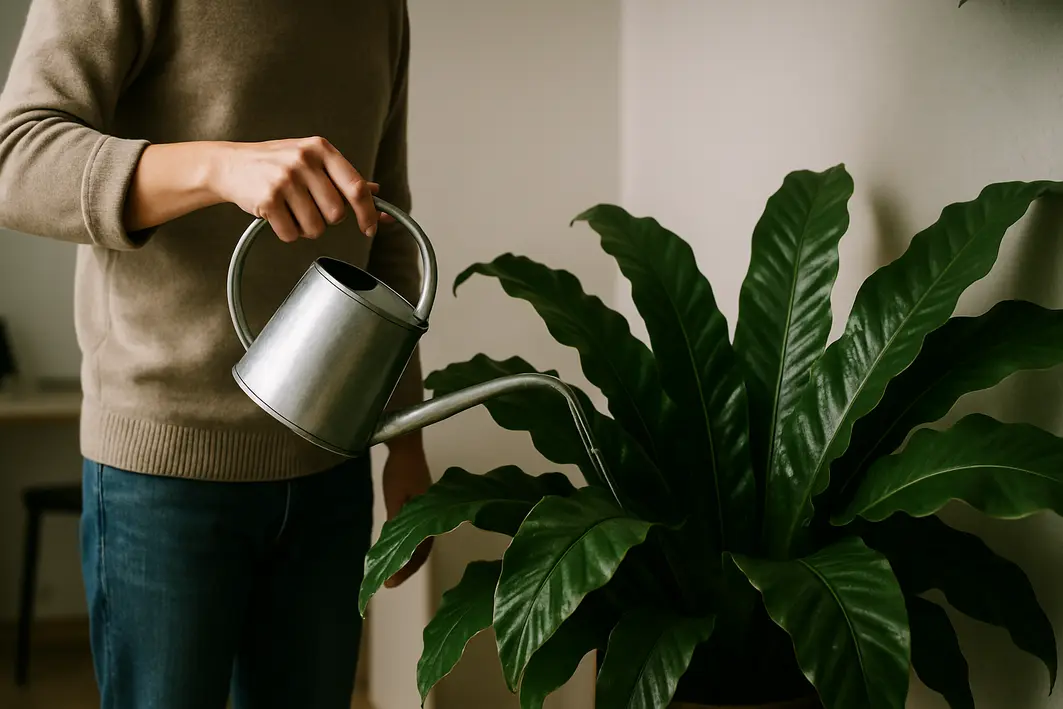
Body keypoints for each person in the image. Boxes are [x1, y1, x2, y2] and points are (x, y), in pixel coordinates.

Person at [0, 0, 432, 707]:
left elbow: (384, 236)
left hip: (333, 467)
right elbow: (14, 157)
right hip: (163, 469)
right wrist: (215, 168)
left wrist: (405, 438)